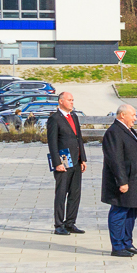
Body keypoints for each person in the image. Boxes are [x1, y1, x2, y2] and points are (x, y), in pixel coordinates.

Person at [100, 104, 137, 257]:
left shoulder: (128, 130)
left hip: (135, 181)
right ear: (122, 115)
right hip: (123, 182)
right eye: (133, 115)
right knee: (119, 212)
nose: (135, 118)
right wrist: (122, 181)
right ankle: (117, 247)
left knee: (131, 212)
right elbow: (115, 160)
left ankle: (127, 243)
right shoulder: (114, 132)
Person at [46, 91, 87, 236]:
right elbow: (52, 143)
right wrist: (57, 163)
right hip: (63, 161)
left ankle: (70, 223)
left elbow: (79, 138)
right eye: (69, 100)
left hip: (76, 160)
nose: (72, 102)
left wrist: (83, 159)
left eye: (73, 100)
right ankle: (59, 225)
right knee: (61, 193)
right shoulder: (54, 119)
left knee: (75, 193)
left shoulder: (74, 116)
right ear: (61, 101)